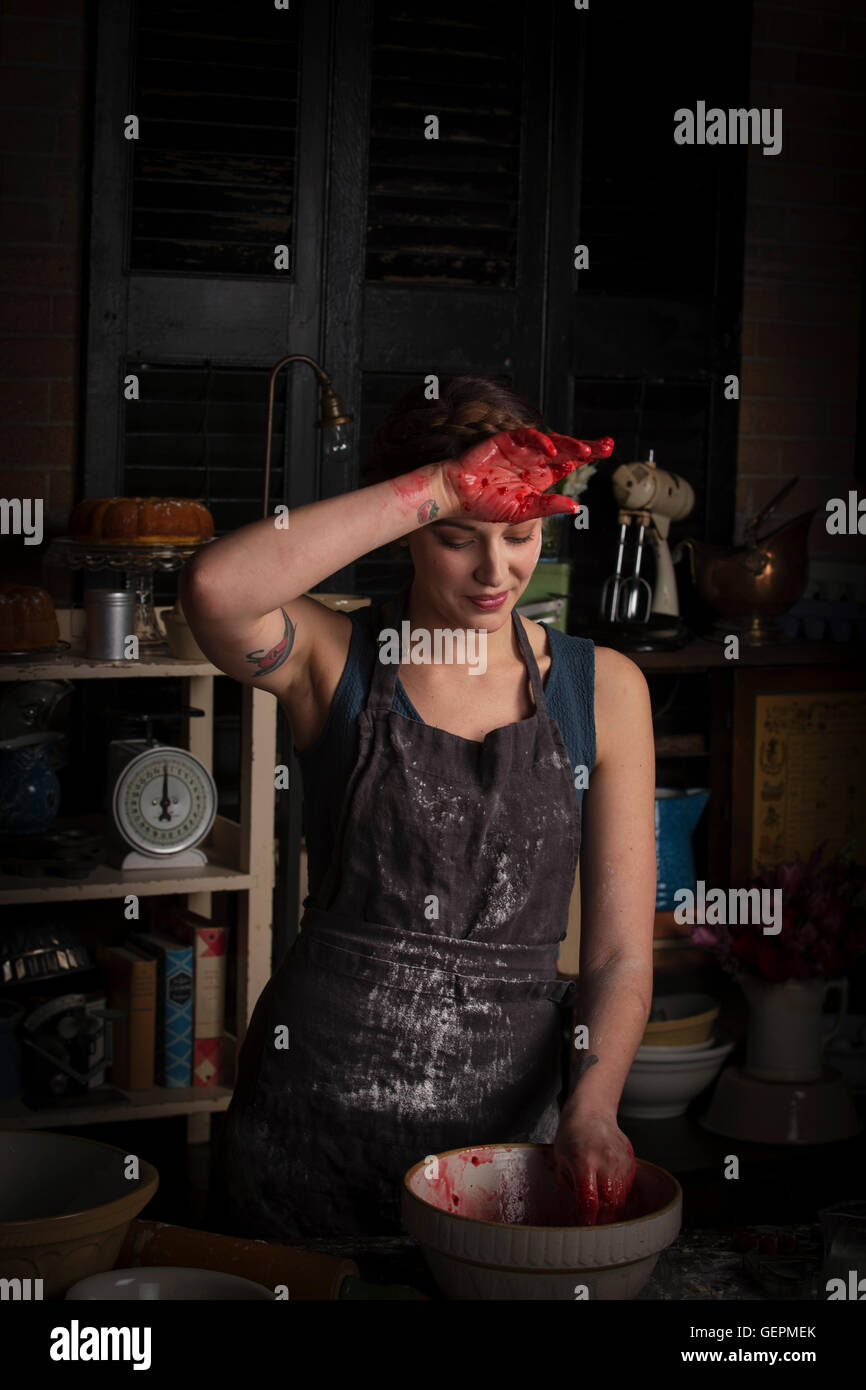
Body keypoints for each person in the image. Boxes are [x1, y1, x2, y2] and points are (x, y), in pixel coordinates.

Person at [181, 375, 656, 1240]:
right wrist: (442, 484)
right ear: (409, 532)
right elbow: (215, 588)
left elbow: (620, 956)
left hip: (509, 1137)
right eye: (455, 537)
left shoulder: (604, 689)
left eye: (519, 536)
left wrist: (594, 1105)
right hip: (313, 1116)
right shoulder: (333, 657)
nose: (496, 571)